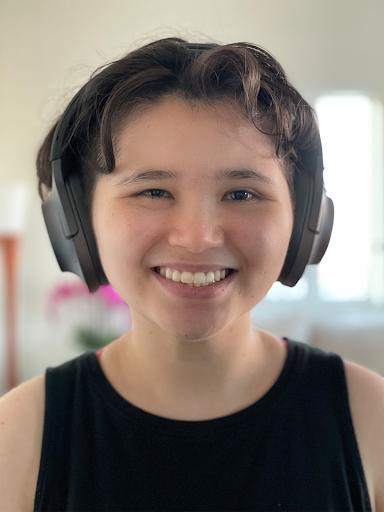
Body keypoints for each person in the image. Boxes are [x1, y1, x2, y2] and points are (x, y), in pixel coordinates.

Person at [0, 38, 383, 512]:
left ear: (307, 222)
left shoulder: (373, 422)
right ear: (75, 223)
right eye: (154, 191)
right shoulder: (17, 436)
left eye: (242, 194)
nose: (198, 238)